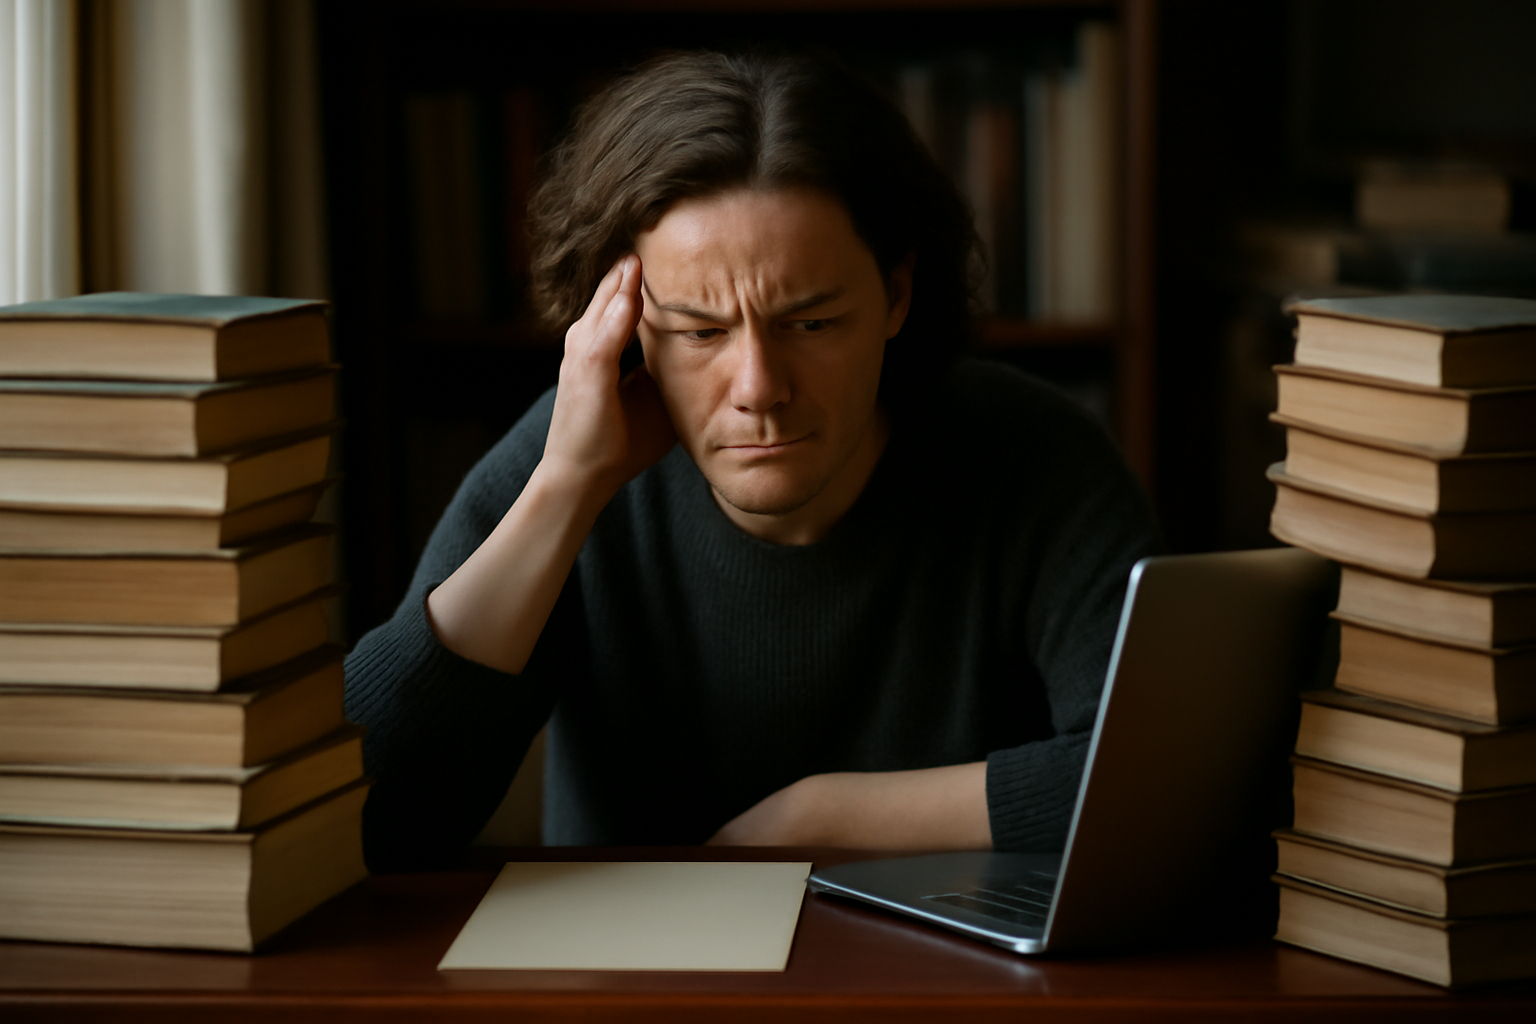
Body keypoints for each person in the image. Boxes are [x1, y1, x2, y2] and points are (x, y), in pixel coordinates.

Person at [344, 50, 1159, 870]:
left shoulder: (1035, 457)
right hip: (645, 987)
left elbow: (1177, 777)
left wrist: (829, 816)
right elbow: (361, 817)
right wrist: (565, 492)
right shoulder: (569, 463)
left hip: (957, 986)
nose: (758, 388)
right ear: (624, 327)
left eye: (810, 324)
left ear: (897, 295)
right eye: (701, 332)